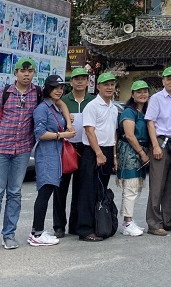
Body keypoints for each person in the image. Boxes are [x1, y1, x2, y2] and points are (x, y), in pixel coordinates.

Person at [0, 57, 43, 252]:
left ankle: (9, 235)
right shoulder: (4, 93)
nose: (26, 74)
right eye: (22, 71)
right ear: (15, 73)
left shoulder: (38, 93)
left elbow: (51, 109)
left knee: (15, 192)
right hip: (0, 147)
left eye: (30, 71)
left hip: (23, 149)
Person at [28, 75, 75, 246]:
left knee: (48, 191)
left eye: (61, 88)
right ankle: (36, 233)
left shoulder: (56, 106)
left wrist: (68, 123)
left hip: (56, 154)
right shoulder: (42, 108)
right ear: (47, 89)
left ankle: (37, 231)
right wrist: (63, 134)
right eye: (55, 87)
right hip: (47, 155)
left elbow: (62, 104)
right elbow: (39, 133)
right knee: (45, 192)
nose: (59, 91)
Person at [77, 72, 119, 242]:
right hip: (93, 151)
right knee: (88, 190)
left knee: (100, 191)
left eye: (112, 84)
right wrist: (98, 153)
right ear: (98, 87)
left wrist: (113, 156)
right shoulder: (92, 106)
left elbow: (112, 133)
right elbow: (89, 131)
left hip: (108, 150)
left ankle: (98, 225)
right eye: (106, 84)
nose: (109, 87)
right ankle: (84, 229)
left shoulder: (114, 107)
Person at [145, 66, 171, 236]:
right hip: (161, 141)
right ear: (163, 81)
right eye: (169, 79)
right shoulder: (156, 98)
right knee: (157, 186)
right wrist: (155, 145)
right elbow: (150, 122)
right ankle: (154, 223)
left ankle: (168, 221)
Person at [57, 66, 95, 237]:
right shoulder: (62, 100)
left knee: (80, 189)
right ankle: (59, 226)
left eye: (83, 79)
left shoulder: (92, 101)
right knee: (60, 188)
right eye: (76, 79)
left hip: (85, 148)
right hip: (65, 148)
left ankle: (75, 224)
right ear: (71, 82)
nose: (80, 82)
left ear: (88, 82)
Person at [116, 80, 152, 236]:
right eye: (139, 92)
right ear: (132, 94)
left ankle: (129, 220)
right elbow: (129, 135)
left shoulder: (144, 111)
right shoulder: (129, 112)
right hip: (130, 150)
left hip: (141, 148)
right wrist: (142, 153)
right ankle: (127, 222)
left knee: (136, 187)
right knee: (130, 187)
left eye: (145, 91)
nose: (142, 94)